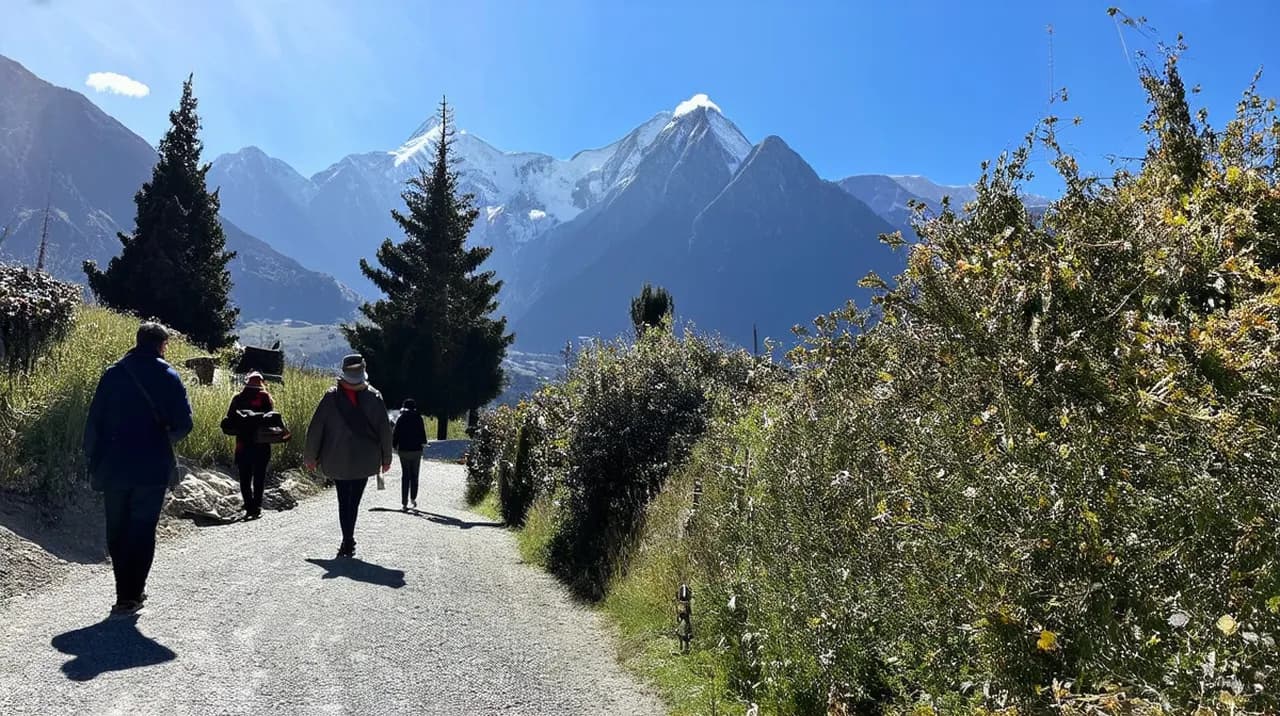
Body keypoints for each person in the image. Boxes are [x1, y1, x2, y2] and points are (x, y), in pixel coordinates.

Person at [83, 322, 194, 616]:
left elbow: (93, 422)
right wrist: (162, 439)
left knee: (117, 530)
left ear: (138, 340)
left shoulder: (113, 374)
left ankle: (124, 593)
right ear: (161, 345)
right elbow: (185, 424)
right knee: (142, 529)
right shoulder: (169, 375)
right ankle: (134, 593)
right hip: (152, 468)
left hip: (113, 466)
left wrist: (92, 459)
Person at [303, 354, 392, 558]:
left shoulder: (331, 397)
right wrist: (386, 459)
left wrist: (310, 457)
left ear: (343, 371)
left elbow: (316, 429)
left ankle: (348, 540)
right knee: (355, 501)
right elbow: (384, 431)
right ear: (363, 370)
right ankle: (348, 538)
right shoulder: (375, 396)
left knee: (344, 500)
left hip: (336, 458)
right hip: (365, 459)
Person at [225, 372, 274, 520]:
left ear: (247, 382)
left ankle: (248, 506)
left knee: (245, 478)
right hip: (261, 445)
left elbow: (230, 418)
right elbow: (271, 419)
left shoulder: (238, 398)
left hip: (243, 444)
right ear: (261, 382)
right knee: (259, 477)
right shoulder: (265, 397)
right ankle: (257, 507)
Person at [392, 398, 428, 511]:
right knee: (415, 475)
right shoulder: (419, 418)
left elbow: (396, 433)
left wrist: (394, 445)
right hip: (416, 450)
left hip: (404, 450)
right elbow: (423, 434)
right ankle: (413, 498)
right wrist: (423, 443)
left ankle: (404, 502)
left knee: (405, 476)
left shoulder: (401, 418)